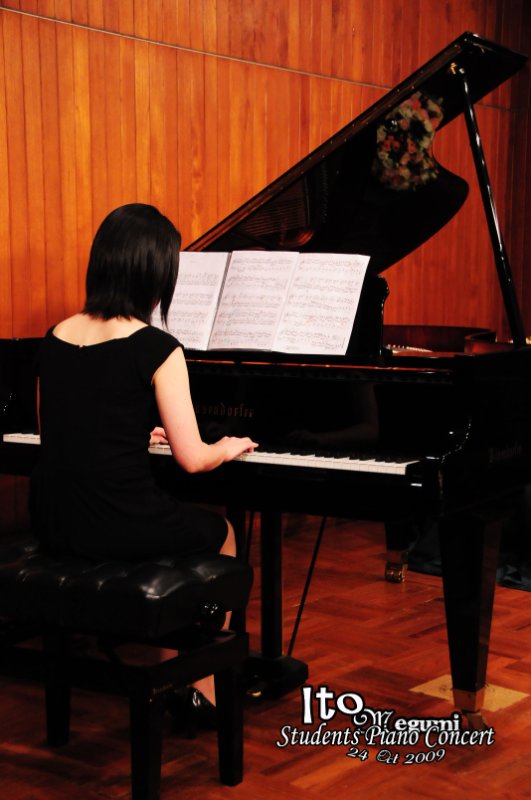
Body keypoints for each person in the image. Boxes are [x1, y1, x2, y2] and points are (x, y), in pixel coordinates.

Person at [29, 203, 257, 723]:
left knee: (167, 522)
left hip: (54, 521)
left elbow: (55, 434)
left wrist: (134, 430)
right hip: (117, 524)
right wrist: (226, 445)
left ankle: (174, 666)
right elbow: (193, 460)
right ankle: (198, 686)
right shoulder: (158, 347)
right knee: (221, 533)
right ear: (155, 274)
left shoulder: (53, 337)